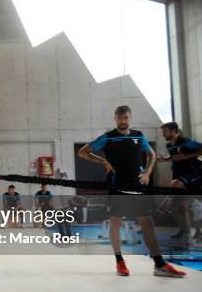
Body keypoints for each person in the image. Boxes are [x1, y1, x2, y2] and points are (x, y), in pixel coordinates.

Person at [78, 105, 186, 277]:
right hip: (117, 185)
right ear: (115, 119)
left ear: (130, 117)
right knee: (115, 222)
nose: (123, 120)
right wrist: (104, 162)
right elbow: (83, 153)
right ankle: (119, 261)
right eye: (120, 117)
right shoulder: (108, 138)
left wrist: (148, 172)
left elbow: (151, 154)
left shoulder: (139, 135)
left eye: (126, 117)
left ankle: (159, 264)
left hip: (138, 186)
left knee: (147, 223)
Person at [157, 122, 202, 242]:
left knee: (176, 186)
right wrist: (164, 159)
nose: (163, 134)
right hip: (179, 176)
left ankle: (189, 236)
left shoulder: (186, 142)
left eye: (165, 131)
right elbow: (175, 157)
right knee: (180, 208)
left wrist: (187, 156)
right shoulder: (169, 145)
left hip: (193, 175)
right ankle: (186, 232)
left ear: (173, 131)